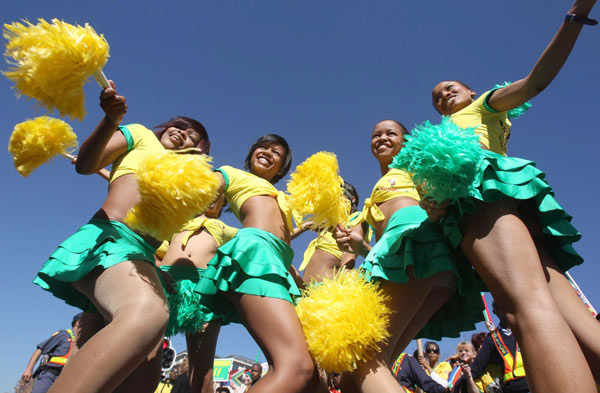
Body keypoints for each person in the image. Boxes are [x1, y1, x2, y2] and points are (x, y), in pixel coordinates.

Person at [425, 1, 599, 391]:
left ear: (472, 90)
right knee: (567, 314)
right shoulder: (447, 132)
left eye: (450, 89)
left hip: (486, 198)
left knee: (524, 310)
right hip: (506, 207)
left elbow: (536, 81)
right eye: (436, 97)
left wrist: (574, 17)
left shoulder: (485, 104)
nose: (443, 96)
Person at [32, 80, 211, 393]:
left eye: (193, 140)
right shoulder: (141, 135)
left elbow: (163, 241)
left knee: (144, 375)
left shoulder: (180, 185)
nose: (185, 136)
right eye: (181, 128)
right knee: (148, 314)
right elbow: (86, 165)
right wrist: (110, 120)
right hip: (110, 240)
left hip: (141, 261)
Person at [334, 120, 484, 393]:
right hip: (413, 261)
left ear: (405, 141)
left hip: (419, 244)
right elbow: (386, 257)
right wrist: (358, 247)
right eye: (375, 134)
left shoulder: (410, 166)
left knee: (366, 357)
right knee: (353, 377)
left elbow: (439, 188)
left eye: (390, 133)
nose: (381, 138)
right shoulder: (374, 194)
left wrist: (436, 202)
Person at [194, 134, 315, 392]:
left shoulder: (282, 198)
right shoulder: (230, 173)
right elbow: (197, 193)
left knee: (309, 378)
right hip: (255, 254)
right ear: (251, 154)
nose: (268, 153)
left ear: (281, 169)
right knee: (297, 367)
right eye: (263, 147)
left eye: (276, 153)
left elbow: (279, 234)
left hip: (278, 265)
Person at [156, 194, 237, 393]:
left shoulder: (226, 229)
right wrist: (157, 270)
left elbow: (261, 237)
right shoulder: (178, 220)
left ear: (223, 203)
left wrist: (297, 229)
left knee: (201, 370)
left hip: (204, 291)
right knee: (145, 357)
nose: (212, 198)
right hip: (167, 284)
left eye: (218, 196)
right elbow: (150, 244)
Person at [298, 181, 371, 283]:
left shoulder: (357, 217)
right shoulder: (331, 227)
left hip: (326, 291)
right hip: (305, 293)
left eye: (339, 195)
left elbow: (350, 250)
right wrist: (306, 226)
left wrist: (343, 283)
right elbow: (286, 236)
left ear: (352, 199)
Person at [456, 303, 529, 393]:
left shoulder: (525, 330)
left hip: (534, 384)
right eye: (500, 307)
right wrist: (458, 385)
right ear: (495, 311)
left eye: (507, 305)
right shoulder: (492, 338)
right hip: (511, 388)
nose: (504, 310)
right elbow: (477, 367)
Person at [21, 313, 82, 393]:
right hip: (50, 375)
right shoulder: (63, 335)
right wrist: (29, 369)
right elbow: (40, 349)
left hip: (66, 378)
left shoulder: (81, 342)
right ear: (77, 323)